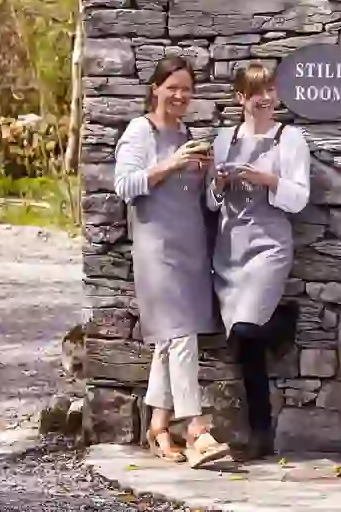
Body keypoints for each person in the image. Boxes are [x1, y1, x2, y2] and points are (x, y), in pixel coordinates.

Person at [114, 55, 231, 469]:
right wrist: (171, 164)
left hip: (190, 249)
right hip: (156, 249)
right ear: (156, 89)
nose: (180, 95)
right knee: (181, 335)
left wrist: (215, 179)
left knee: (170, 339)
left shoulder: (187, 134)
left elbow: (208, 203)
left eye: (186, 89)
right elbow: (125, 185)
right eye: (173, 87)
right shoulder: (139, 132)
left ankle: (159, 425)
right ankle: (196, 427)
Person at [207, 64, 311, 461]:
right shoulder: (223, 140)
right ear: (240, 98)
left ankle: (282, 323)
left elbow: (299, 199)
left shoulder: (290, 139)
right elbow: (209, 204)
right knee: (241, 344)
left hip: (270, 246)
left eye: (269, 90)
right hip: (230, 248)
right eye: (255, 92)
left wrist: (268, 180)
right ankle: (261, 433)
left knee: (248, 331)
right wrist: (219, 185)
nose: (264, 98)